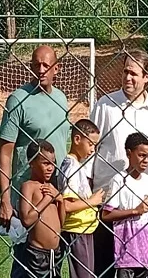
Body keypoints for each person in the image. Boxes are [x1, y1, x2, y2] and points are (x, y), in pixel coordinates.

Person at [91, 48, 148, 277]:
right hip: (109, 205)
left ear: (146, 77)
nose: (128, 77)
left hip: (144, 208)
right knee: (104, 269)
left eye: (134, 73)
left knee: (142, 269)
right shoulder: (105, 105)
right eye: (125, 71)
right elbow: (90, 148)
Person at [0, 45, 70, 277]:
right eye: (36, 64)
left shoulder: (61, 99)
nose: (41, 69)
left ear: (56, 68)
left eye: (46, 65)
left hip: (54, 190)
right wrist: (5, 199)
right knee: (27, 261)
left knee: (54, 256)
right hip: (29, 194)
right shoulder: (18, 100)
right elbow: (4, 153)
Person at [102, 132, 148, 278]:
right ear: (129, 154)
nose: (146, 160)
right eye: (141, 155)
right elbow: (106, 215)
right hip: (124, 254)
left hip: (144, 253)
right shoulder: (118, 180)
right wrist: (135, 211)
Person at [59, 119, 105, 278]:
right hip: (77, 230)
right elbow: (67, 205)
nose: (93, 149)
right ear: (77, 139)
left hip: (83, 229)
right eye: (90, 144)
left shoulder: (75, 164)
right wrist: (92, 201)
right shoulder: (71, 167)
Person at [17, 140, 66, 278]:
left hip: (56, 253)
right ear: (32, 163)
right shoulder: (28, 187)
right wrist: (47, 199)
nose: (50, 168)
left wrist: (60, 200)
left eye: (53, 163)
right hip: (37, 254)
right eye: (45, 163)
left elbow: (61, 223)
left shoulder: (52, 187)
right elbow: (27, 220)